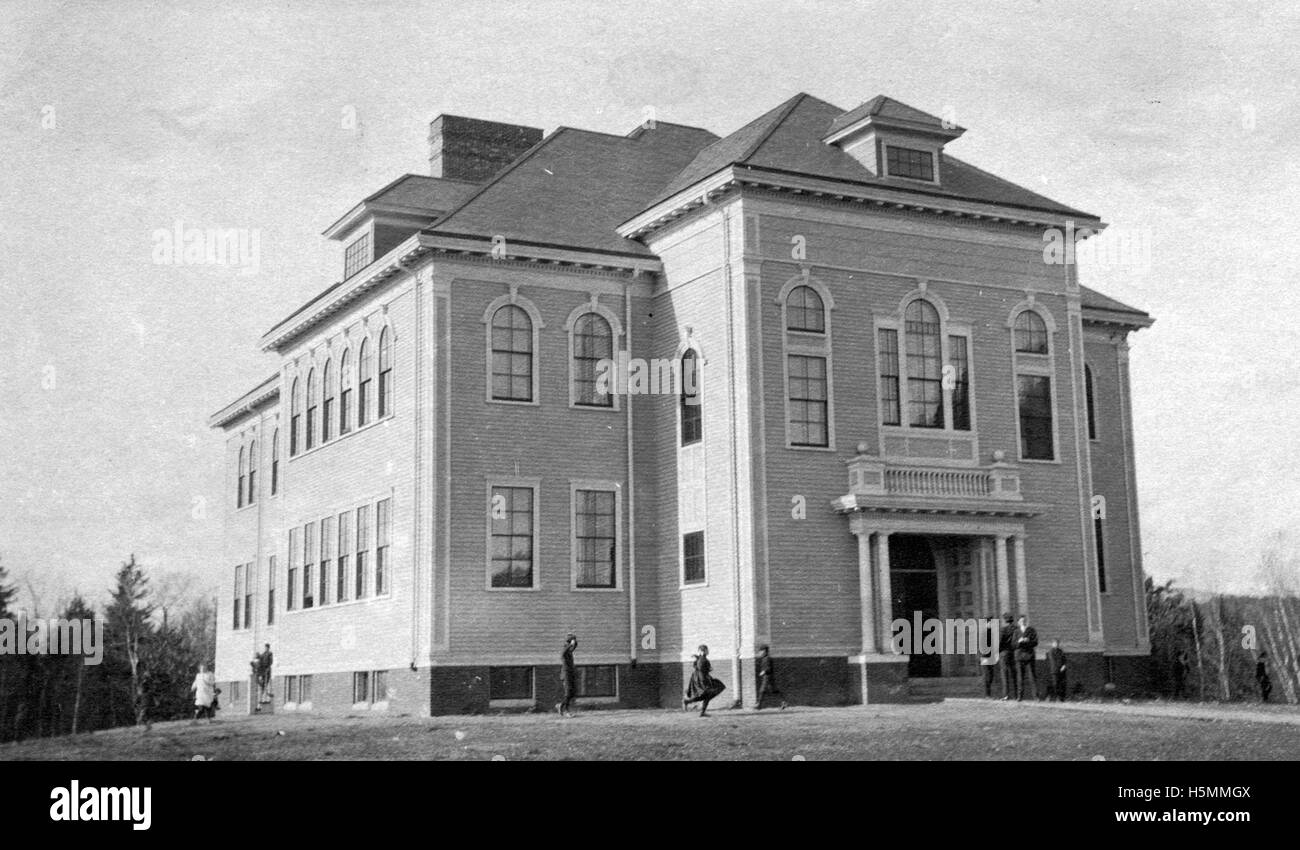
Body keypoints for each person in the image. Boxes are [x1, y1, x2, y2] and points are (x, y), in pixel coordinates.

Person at [683, 645, 725, 717]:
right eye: (706, 650)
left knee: (706, 695)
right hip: (701, 679)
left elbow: (700, 667)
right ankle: (698, 709)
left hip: (701, 678)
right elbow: (701, 668)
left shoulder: (701, 658)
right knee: (707, 693)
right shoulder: (702, 659)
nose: (708, 651)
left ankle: (690, 703)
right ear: (703, 651)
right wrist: (707, 674)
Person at [754, 645, 787, 710]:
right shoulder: (765, 658)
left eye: (761, 651)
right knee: (774, 690)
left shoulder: (767, 658)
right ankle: (783, 702)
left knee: (762, 691)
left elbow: (769, 668)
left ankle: (759, 705)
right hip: (769, 677)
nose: (759, 653)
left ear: (764, 651)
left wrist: (763, 672)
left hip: (767, 677)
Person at [1014, 615, 1039, 701]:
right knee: (1020, 677)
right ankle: (1019, 696)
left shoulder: (1031, 630)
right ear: (1018, 622)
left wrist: (1028, 641)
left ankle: (1036, 696)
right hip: (1019, 656)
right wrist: (1019, 641)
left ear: (1026, 621)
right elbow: (1013, 645)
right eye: (1021, 621)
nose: (1023, 622)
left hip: (1029, 656)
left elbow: (1036, 642)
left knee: (1032, 676)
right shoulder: (1016, 632)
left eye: (1024, 621)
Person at [556, 633, 578, 717]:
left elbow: (574, 647)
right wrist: (570, 644)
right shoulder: (565, 650)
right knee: (568, 693)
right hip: (566, 675)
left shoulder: (568, 651)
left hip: (570, 674)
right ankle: (565, 710)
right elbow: (563, 653)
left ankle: (561, 706)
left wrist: (575, 643)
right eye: (572, 640)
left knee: (571, 693)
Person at [998, 614, 1017, 700]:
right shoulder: (1017, 629)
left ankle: (1006, 695)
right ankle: (1016, 694)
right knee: (1014, 674)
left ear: (1005, 620)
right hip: (1014, 653)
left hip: (1004, 653)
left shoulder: (1003, 629)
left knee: (1004, 675)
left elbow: (1000, 642)